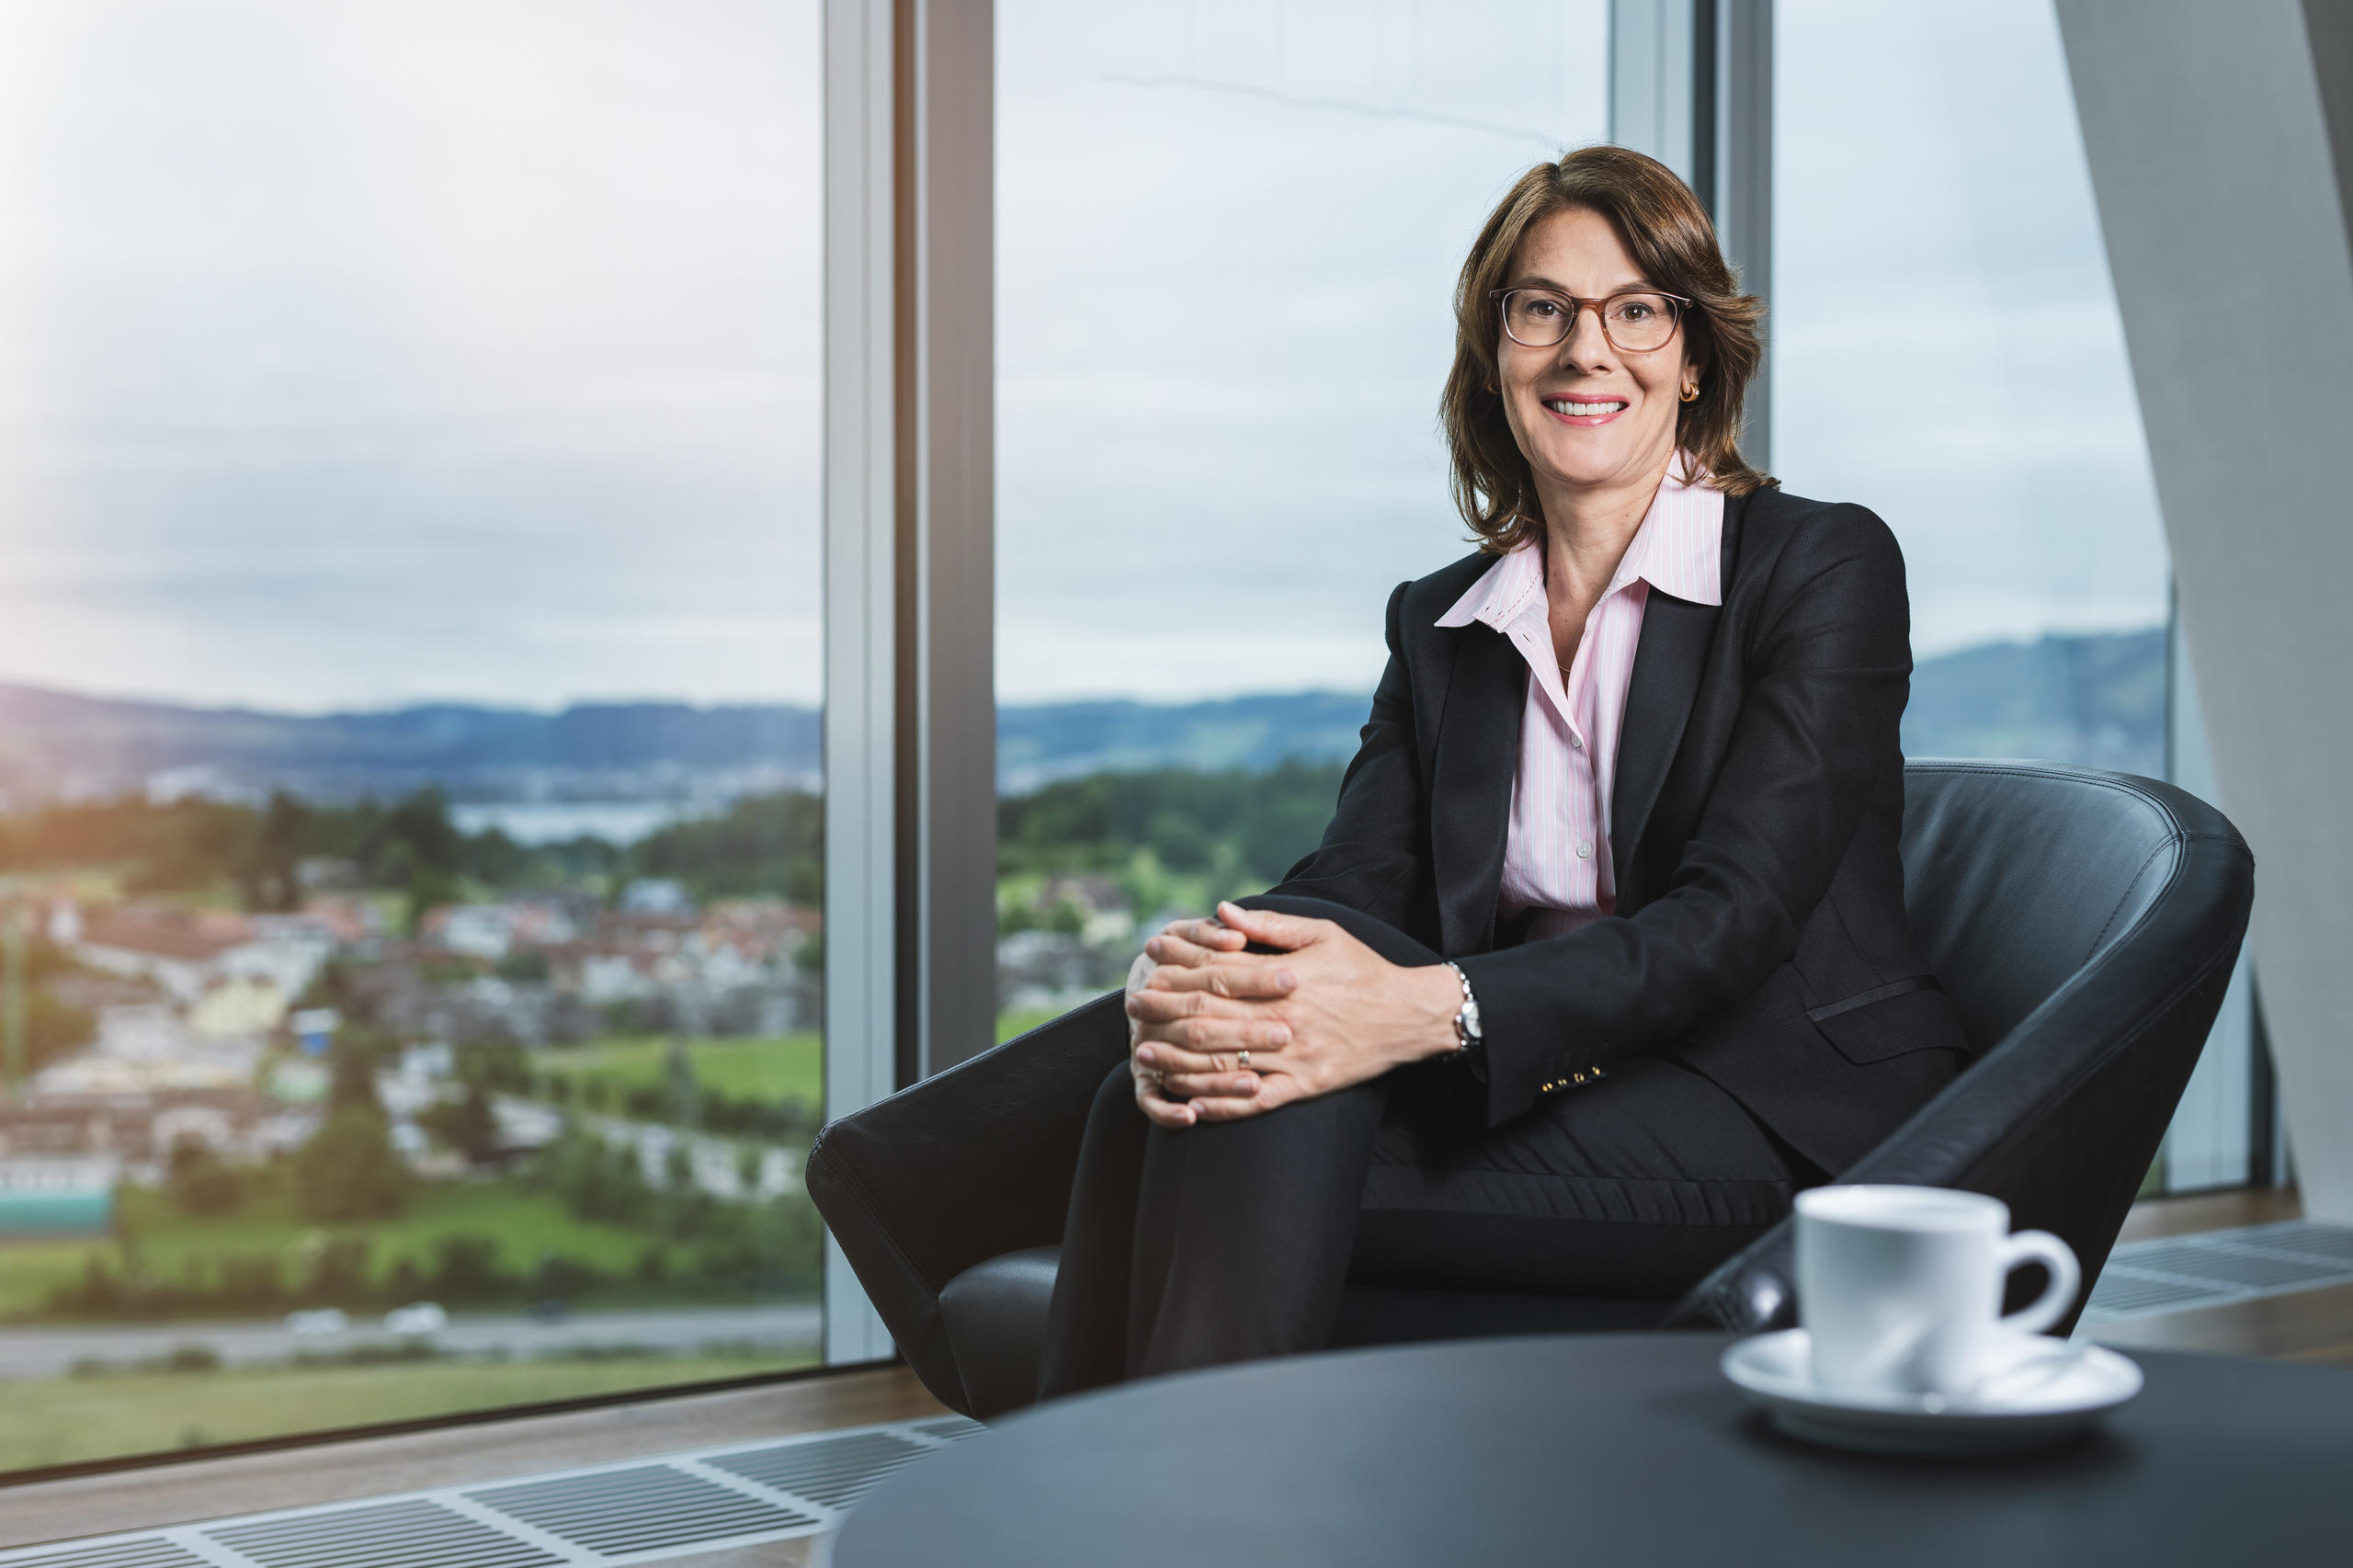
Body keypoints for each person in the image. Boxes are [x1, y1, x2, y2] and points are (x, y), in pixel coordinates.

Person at [824, 144, 1974, 1405]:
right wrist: (1208, 974)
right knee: (1197, 1082)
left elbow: (1731, 922)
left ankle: (1140, 1516)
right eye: (1543, 308)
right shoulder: (1443, 624)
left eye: (1636, 309)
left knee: (1232, 1115)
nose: (1588, 349)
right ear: (1496, 350)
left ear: (1694, 355)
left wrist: (1428, 1012)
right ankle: (1138, 1515)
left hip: (1773, 1105)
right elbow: (1348, 885)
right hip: (1555, 1085)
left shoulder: (1820, 567)